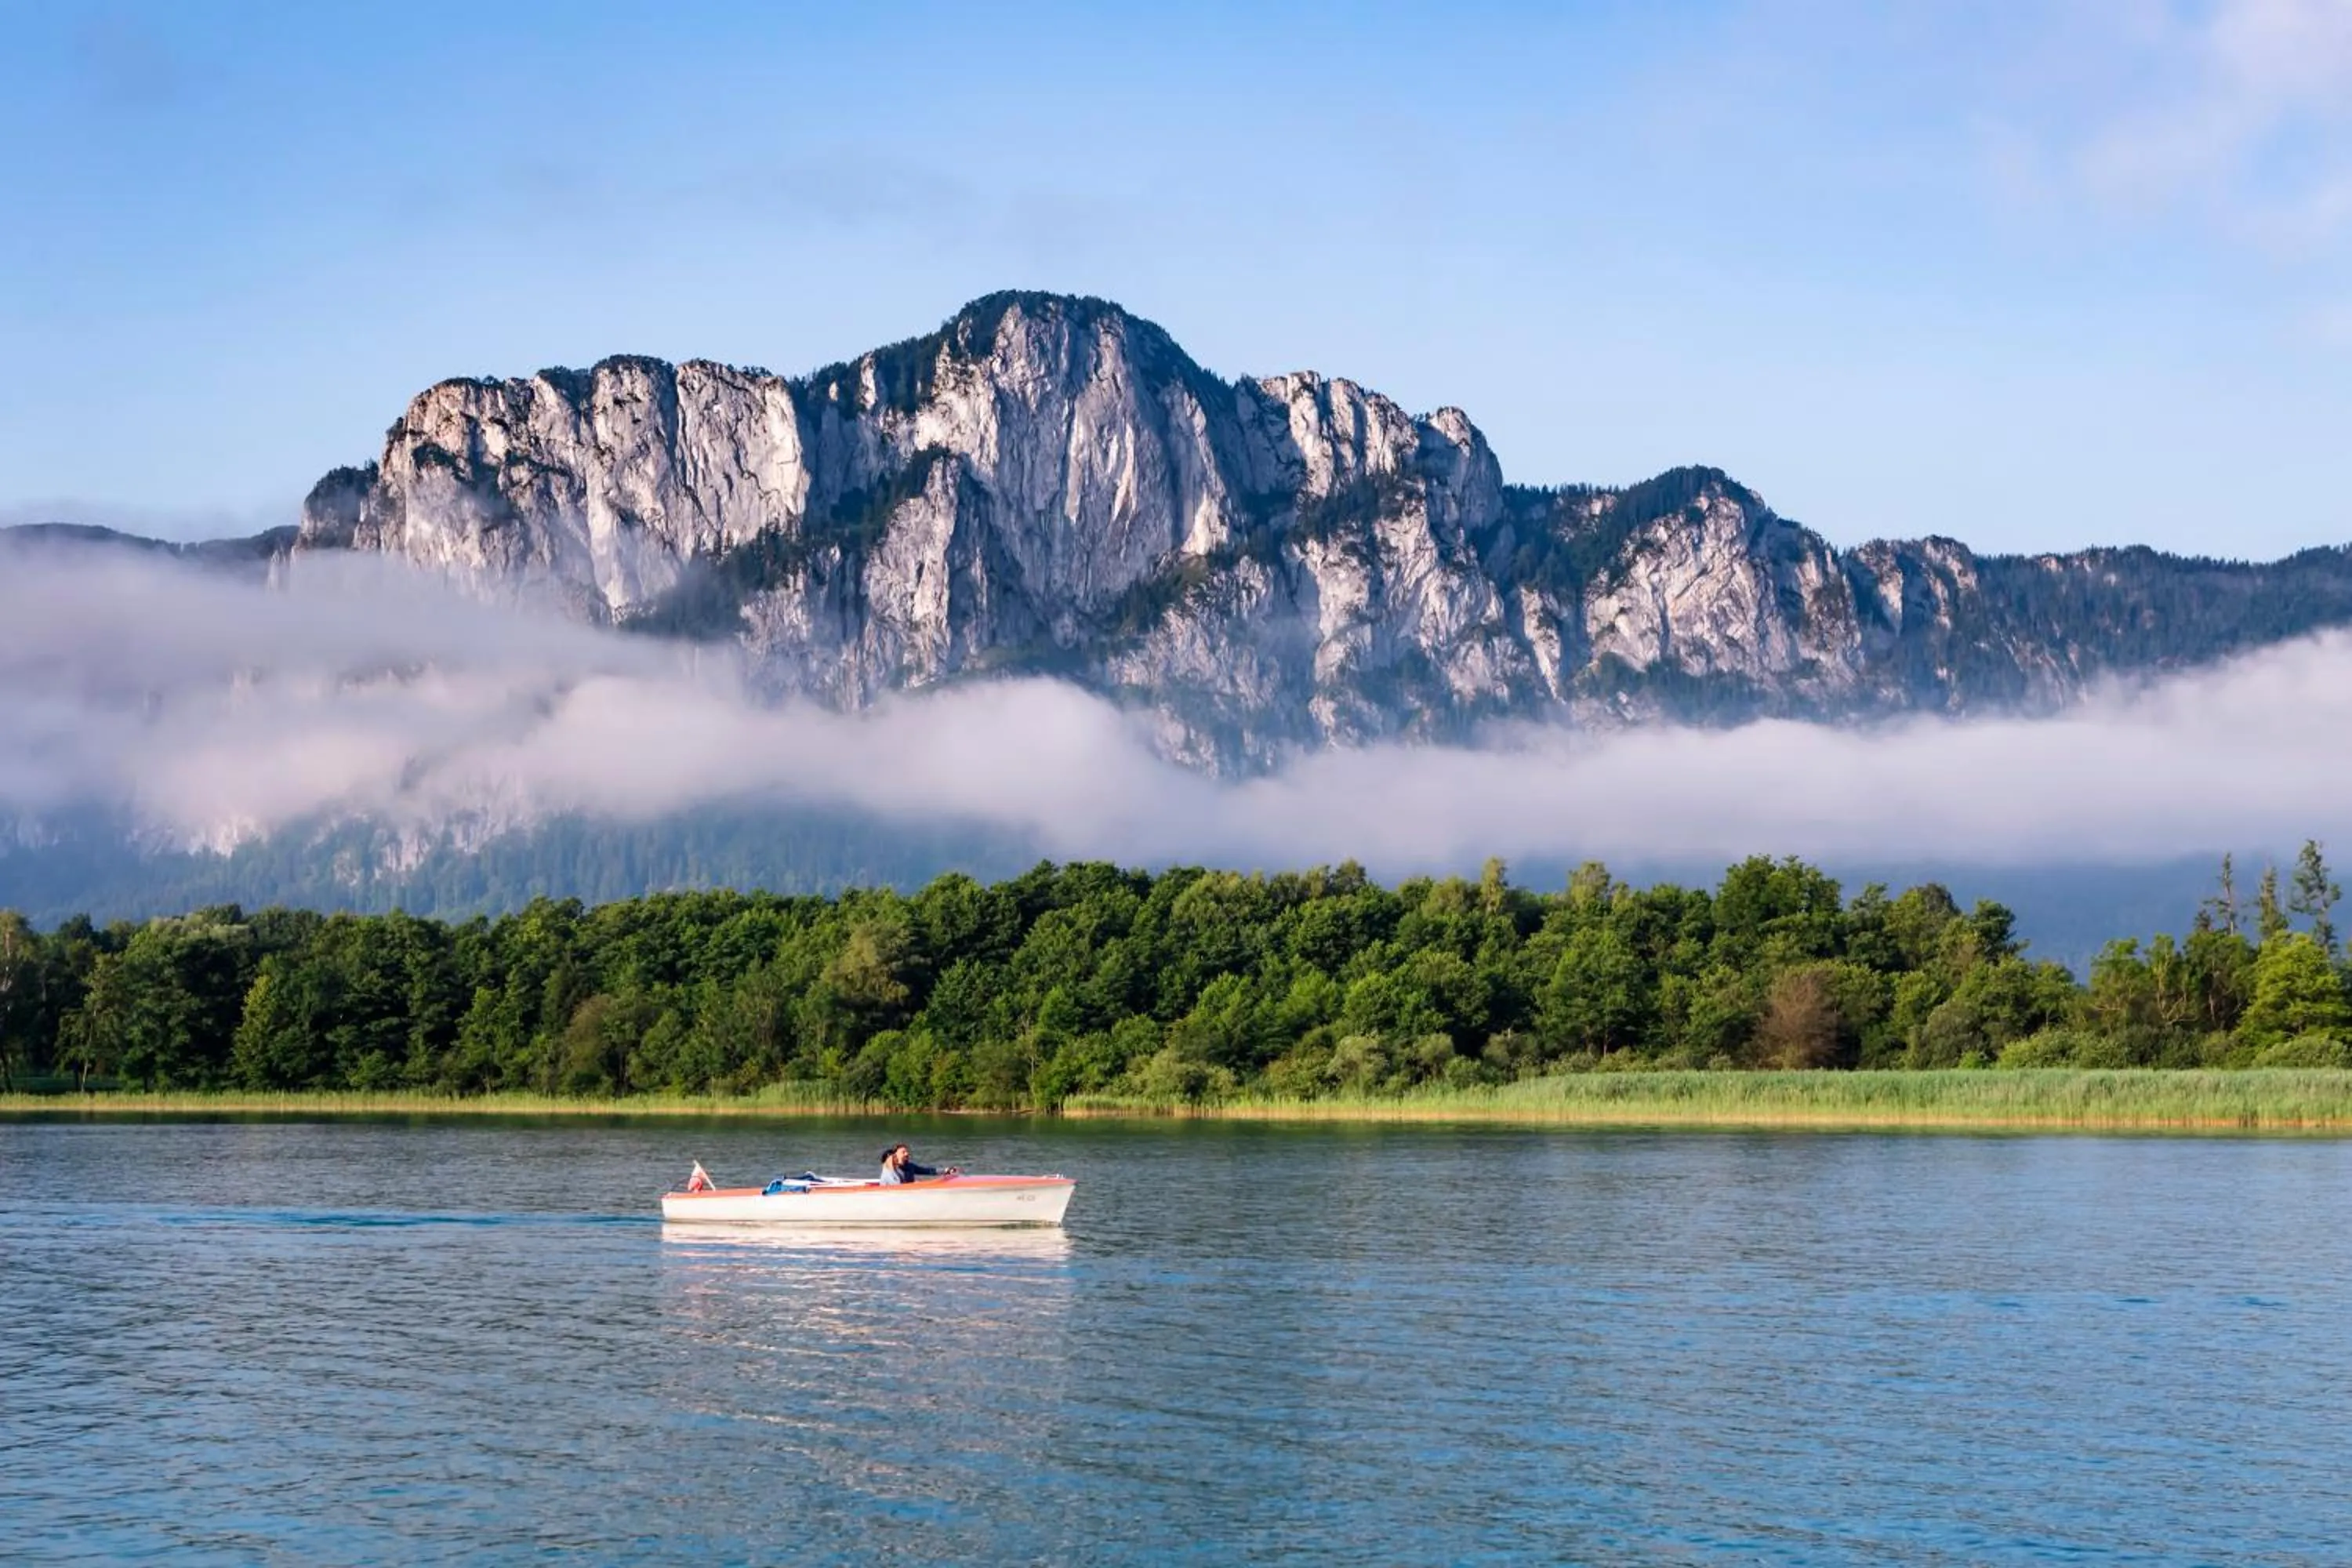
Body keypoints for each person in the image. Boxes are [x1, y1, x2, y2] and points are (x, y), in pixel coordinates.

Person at [878, 1144, 957, 1185]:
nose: (907, 1154)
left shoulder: (910, 1166)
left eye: (907, 1152)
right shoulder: (888, 1169)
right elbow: (896, 1186)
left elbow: (927, 1171)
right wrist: (915, 1184)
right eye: (903, 1152)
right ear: (895, 1155)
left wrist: (946, 1171)